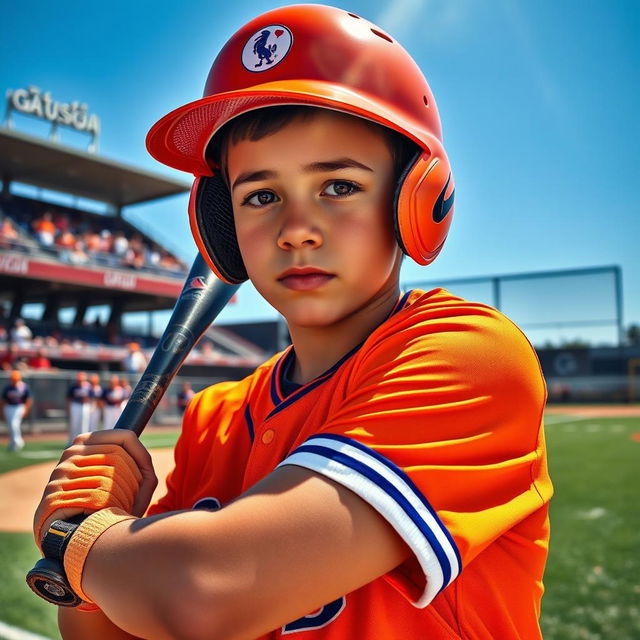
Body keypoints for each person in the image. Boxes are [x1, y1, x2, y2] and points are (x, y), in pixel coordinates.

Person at [33, 6, 552, 639]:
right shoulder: (213, 418)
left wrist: (81, 545)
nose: (295, 231)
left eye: (337, 186)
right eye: (260, 196)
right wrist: (95, 532)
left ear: (418, 200)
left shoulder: (472, 358)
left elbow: (204, 593)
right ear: (222, 227)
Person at [1, 370, 31, 451]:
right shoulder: (8, 387)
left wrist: (26, 409)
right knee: (10, 426)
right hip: (9, 407)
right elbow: (3, 400)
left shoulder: (24, 387)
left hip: (19, 407)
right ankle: (12, 442)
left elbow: (28, 399)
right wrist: (2, 410)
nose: (14, 381)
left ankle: (18, 442)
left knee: (14, 424)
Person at [66, 371, 92, 444]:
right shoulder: (73, 387)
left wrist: (90, 405)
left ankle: (83, 441)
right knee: (74, 424)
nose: (80, 380)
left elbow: (92, 397)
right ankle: (72, 441)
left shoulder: (88, 386)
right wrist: (68, 408)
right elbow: (68, 398)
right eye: (79, 379)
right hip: (75, 405)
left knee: (84, 424)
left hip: (85, 406)